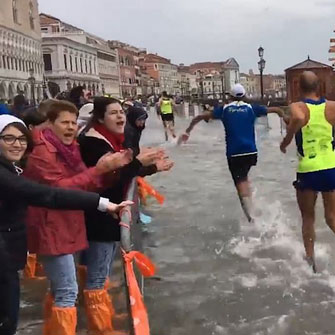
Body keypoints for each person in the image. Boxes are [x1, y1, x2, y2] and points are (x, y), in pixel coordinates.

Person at [0, 115, 131, 335]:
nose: (17, 144)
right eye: (8, 139)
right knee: (57, 295)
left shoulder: (17, 167)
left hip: (21, 249)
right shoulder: (13, 170)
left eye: (21, 139)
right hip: (24, 244)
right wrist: (102, 202)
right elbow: (50, 194)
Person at [78, 97, 167, 334]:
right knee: (96, 276)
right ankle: (101, 328)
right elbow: (109, 178)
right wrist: (140, 163)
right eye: (113, 113)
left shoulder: (107, 139)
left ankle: (101, 316)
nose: (120, 117)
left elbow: (121, 172)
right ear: (99, 118)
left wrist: (150, 166)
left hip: (105, 212)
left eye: (121, 112)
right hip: (100, 215)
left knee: (95, 271)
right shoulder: (94, 143)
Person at [279, 71, 335, 273]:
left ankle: (310, 262)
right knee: (334, 217)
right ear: (318, 87)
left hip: (309, 170)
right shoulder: (333, 107)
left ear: (299, 87)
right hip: (332, 168)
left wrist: (287, 139)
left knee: (308, 218)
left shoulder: (297, 106)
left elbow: (298, 116)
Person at [179, 84, 286, 222]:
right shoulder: (251, 108)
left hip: (235, 153)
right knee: (244, 178)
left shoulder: (224, 110)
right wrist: (286, 119)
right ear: (244, 95)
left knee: (240, 183)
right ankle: (254, 207)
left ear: (230, 96)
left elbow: (200, 116)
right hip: (251, 152)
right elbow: (277, 110)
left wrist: (188, 130)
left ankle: (252, 219)